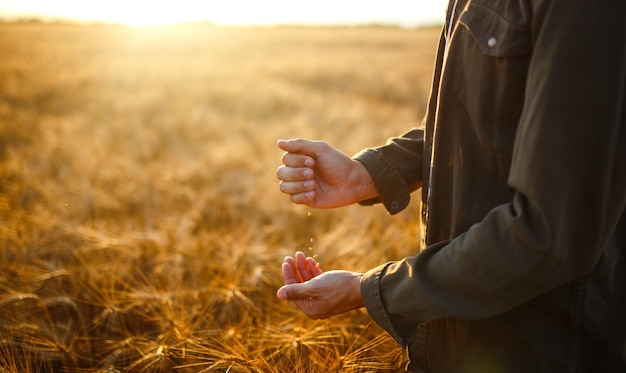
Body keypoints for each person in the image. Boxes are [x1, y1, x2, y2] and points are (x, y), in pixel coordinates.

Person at [275, 0, 626, 372]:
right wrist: (365, 174)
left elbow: (548, 232)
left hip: (540, 349)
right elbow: (482, 121)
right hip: (460, 340)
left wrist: (368, 289)